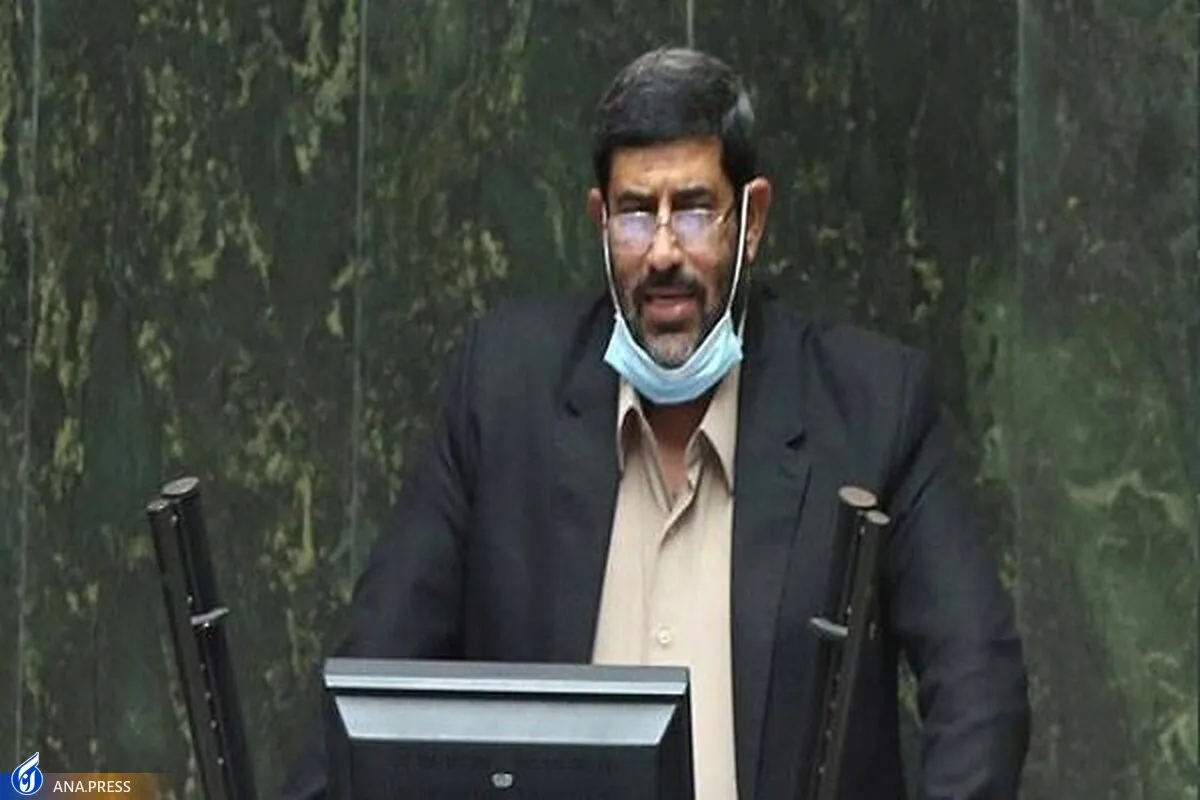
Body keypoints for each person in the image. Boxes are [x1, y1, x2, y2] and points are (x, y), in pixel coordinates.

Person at [283, 46, 1030, 800]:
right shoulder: (502, 392)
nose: (664, 252)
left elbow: (979, 684)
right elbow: (369, 684)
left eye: (696, 210)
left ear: (753, 220)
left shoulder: (871, 406)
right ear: (600, 220)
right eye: (637, 213)